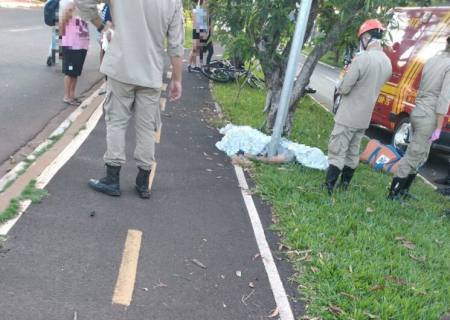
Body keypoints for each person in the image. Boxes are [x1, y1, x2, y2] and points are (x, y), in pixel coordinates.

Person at [75, 0, 184, 199]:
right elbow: (176, 45)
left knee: (116, 121)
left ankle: (112, 179)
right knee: (146, 128)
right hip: (151, 73)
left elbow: (82, 2)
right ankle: (143, 182)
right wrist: (177, 79)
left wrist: (101, 24)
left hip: (121, 67)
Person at [323, 19, 392, 195]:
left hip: (348, 115)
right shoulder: (386, 62)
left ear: (367, 37)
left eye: (362, 38)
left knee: (338, 148)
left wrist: (341, 80)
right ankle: (344, 186)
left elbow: (345, 88)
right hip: (364, 117)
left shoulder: (362, 59)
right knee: (353, 151)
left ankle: (328, 187)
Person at [388, 36, 450, 200]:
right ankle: (393, 193)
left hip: (418, 111)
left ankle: (404, 190)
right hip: (429, 116)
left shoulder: (432, 59)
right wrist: (439, 126)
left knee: (421, 154)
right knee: (413, 155)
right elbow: (444, 99)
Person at [60, 0, 89, 106]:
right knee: (69, 72)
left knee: (75, 73)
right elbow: (62, 24)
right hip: (71, 46)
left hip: (81, 46)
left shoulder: (83, 7)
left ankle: (72, 95)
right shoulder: (69, 5)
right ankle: (67, 96)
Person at [188, 0, 208, 72]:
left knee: (198, 49)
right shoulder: (196, 10)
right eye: (205, 2)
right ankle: (191, 65)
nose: (206, 3)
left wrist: (205, 32)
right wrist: (199, 32)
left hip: (202, 30)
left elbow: (205, 22)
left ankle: (195, 65)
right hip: (197, 30)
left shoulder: (204, 11)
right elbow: (195, 23)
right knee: (194, 49)